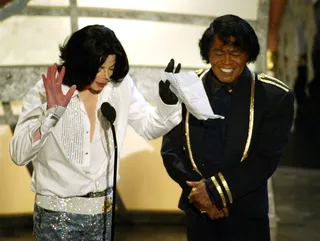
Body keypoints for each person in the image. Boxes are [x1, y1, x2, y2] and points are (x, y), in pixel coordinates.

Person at [9, 24, 181, 240]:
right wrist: (50, 115)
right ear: (81, 64)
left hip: (103, 216)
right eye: (99, 69)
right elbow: (18, 154)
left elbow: (149, 126)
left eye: (111, 68)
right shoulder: (47, 91)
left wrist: (168, 104)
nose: (106, 76)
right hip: (57, 217)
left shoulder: (120, 87)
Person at [161, 14, 294, 241]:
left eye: (236, 53)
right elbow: (172, 150)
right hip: (199, 213)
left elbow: (264, 160)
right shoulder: (186, 88)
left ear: (248, 55)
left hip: (246, 215)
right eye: (219, 52)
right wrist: (198, 194)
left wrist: (213, 192)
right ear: (207, 54)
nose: (227, 61)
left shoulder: (275, 97)